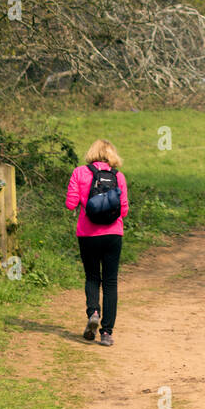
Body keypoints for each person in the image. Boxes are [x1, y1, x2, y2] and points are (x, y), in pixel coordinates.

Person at [65, 139, 128, 346]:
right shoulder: (118, 177)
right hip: (113, 235)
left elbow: (70, 204)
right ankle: (107, 333)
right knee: (110, 282)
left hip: (87, 234)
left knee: (92, 277)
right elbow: (124, 210)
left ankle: (93, 312)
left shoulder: (79, 173)